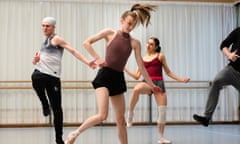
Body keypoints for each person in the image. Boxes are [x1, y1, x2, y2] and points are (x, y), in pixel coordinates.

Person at [65, 4, 160, 144]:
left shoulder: (135, 43)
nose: (130, 27)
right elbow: (87, 43)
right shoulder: (110, 33)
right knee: (103, 115)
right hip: (104, 76)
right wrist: (98, 58)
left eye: (133, 25)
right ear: (121, 21)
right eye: (128, 23)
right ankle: (74, 134)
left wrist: (152, 85)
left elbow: (142, 67)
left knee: (121, 120)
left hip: (118, 79)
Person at [31, 17, 96, 144]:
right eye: (43, 26)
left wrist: (88, 62)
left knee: (57, 109)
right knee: (35, 77)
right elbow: (37, 59)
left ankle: (58, 139)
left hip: (53, 77)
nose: (44, 28)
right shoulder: (44, 42)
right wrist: (35, 60)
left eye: (47, 26)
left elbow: (73, 51)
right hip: (41, 72)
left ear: (53, 27)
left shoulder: (57, 39)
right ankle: (45, 104)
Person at [125, 37, 190, 144]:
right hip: (147, 83)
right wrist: (126, 70)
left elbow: (168, 72)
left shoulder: (160, 56)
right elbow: (137, 76)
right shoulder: (142, 59)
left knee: (162, 111)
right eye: (147, 43)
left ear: (156, 47)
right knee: (136, 89)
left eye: (151, 44)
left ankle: (161, 138)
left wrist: (181, 80)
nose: (148, 45)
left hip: (159, 84)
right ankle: (130, 114)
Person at [193, 27, 240, 127]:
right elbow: (223, 45)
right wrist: (229, 55)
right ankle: (207, 117)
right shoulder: (238, 31)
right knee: (216, 82)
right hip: (231, 70)